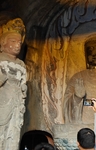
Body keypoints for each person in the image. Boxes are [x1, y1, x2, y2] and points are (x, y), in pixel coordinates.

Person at [0, 18, 27, 150]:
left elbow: (23, 85)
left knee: (13, 134)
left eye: (19, 42)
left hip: (16, 105)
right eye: (13, 41)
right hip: (2, 103)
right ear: (3, 42)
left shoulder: (21, 64)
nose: (17, 45)